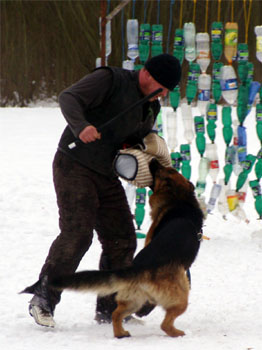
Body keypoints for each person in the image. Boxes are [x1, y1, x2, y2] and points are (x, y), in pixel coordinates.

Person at [22, 53, 181, 327]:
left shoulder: (150, 107)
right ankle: (43, 298)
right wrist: (81, 126)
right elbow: (68, 98)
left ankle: (110, 309)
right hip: (74, 164)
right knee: (78, 233)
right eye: (162, 87)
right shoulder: (109, 80)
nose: (163, 94)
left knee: (122, 237)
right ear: (147, 74)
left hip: (106, 174)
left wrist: (147, 147)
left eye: (167, 91)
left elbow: (133, 140)